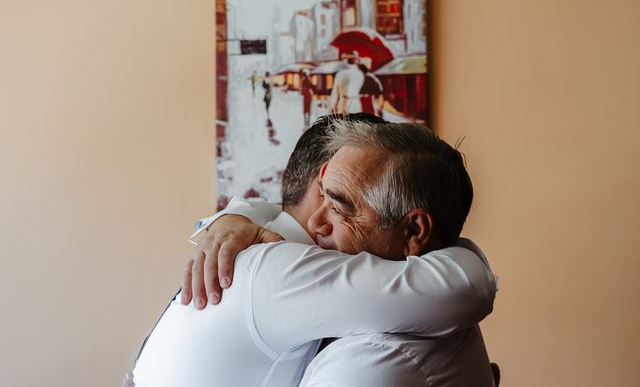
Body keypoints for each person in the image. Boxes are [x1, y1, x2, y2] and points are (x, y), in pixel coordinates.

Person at [129, 116, 497, 387]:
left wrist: (236, 213)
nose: (317, 222)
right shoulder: (280, 269)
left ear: (415, 230)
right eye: (324, 196)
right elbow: (463, 287)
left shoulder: (263, 252)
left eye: (338, 206)